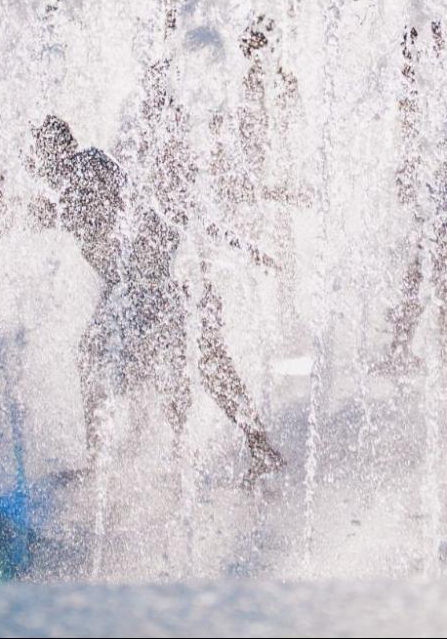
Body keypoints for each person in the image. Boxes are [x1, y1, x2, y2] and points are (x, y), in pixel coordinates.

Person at [29, 117, 281, 479]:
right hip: (144, 285)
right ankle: (247, 445)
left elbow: (141, 209)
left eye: (43, 156)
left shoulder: (87, 167)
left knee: (197, 359)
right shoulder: (73, 188)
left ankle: (110, 460)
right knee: (183, 360)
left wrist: (240, 245)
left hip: (158, 280)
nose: (43, 167)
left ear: (57, 152)